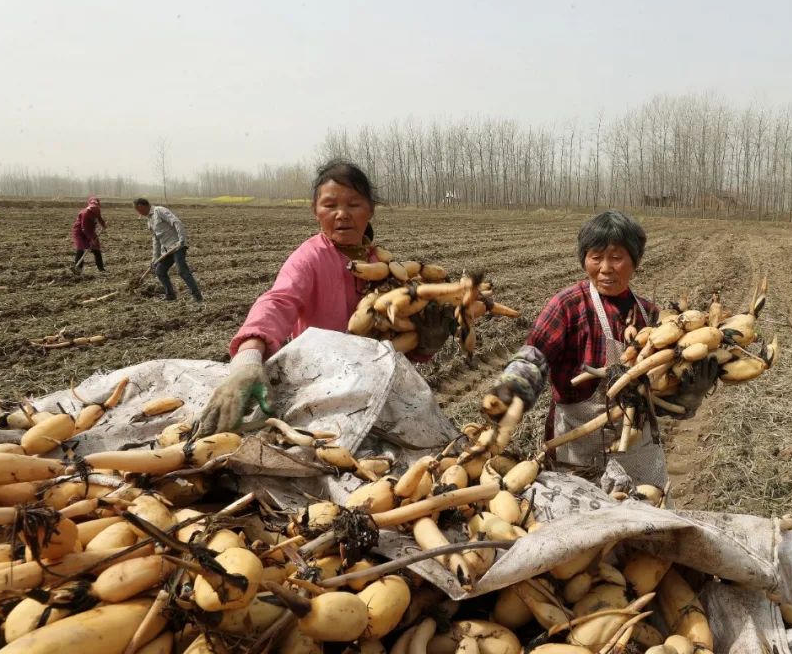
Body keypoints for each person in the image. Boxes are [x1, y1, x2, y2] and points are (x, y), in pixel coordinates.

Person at [196, 160, 453, 435]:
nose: (341, 214)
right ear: (316, 212)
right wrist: (247, 360)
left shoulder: (383, 266)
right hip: (319, 387)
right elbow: (278, 301)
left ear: (370, 210)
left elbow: (393, 339)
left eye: (353, 205)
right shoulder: (309, 258)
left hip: (375, 386)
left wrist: (424, 346)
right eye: (330, 205)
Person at [484, 210, 717, 490]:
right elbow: (535, 355)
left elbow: (661, 397)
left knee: (647, 527)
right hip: (576, 453)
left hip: (637, 456)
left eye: (617, 257)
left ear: (635, 261)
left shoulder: (653, 317)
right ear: (584, 259)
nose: (605, 267)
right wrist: (513, 386)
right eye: (596, 257)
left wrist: (688, 395)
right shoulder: (568, 305)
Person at [134, 198, 203, 303]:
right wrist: (155, 258)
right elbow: (156, 240)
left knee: (182, 271)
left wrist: (182, 238)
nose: (139, 213)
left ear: (142, 206)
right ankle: (170, 295)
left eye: (138, 210)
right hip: (167, 250)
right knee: (160, 271)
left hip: (177, 245)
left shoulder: (159, 211)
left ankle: (197, 296)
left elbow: (176, 222)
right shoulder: (149, 221)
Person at [71, 197, 107, 273]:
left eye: (96, 206)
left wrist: (103, 224)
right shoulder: (85, 213)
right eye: (93, 206)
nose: (94, 208)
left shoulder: (97, 210)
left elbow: (99, 218)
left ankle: (101, 268)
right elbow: (84, 228)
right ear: (89, 206)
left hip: (90, 231)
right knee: (81, 249)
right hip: (80, 232)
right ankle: (78, 269)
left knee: (96, 249)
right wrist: (91, 239)